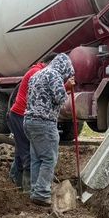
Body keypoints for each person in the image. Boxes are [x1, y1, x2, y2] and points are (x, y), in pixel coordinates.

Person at [23, 52, 75, 206]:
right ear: (64, 67)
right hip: (44, 122)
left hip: (29, 121)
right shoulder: (54, 75)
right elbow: (60, 98)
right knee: (49, 159)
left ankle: (35, 190)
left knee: (37, 158)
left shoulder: (37, 75)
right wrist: (68, 88)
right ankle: (41, 193)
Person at [8, 59, 46, 191]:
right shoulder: (37, 73)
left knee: (20, 150)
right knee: (27, 152)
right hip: (20, 115)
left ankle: (14, 180)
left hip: (18, 115)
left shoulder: (36, 71)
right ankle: (27, 188)